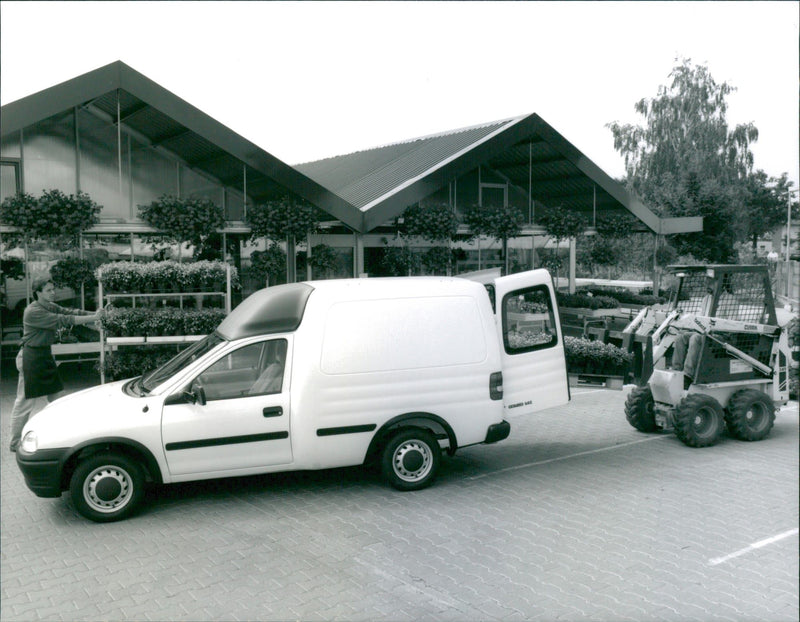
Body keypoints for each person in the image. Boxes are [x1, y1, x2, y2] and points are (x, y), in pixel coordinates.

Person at [9, 278, 103, 452]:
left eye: (53, 289)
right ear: (38, 293)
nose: (53, 292)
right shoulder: (33, 311)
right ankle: (15, 443)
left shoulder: (49, 305)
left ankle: (63, 437)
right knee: (24, 403)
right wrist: (94, 317)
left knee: (58, 399)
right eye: (49, 290)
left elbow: (70, 311)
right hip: (31, 357)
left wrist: (94, 313)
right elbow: (65, 319)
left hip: (43, 355)